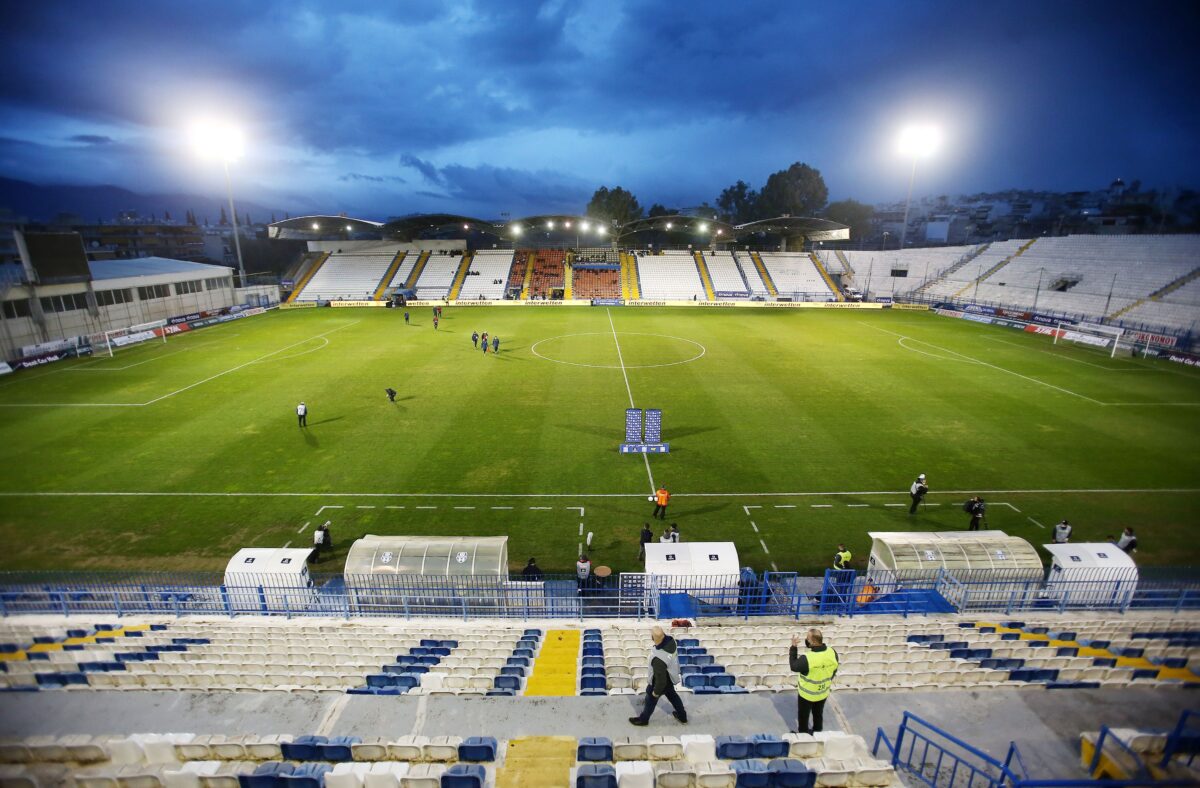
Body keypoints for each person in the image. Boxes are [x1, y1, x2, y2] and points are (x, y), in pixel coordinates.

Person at [629, 626, 687, 726]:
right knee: (673, 696)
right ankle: (682, 717)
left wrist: (655, 692)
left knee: (650, 699)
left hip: (660, 681)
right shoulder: (671, 642)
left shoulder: (659, 659)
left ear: (653, 637)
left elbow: (661, 681)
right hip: (669, 676)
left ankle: (643, 720)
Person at [789, 628, 839, 735]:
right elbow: (834, 669)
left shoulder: (807, 658)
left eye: (807, 638)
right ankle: (817, 732)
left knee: (803, 716)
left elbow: (794, 666)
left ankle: (803, 735)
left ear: (813, 642)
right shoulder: (832, 652)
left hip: (807, 694)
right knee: (818, 714)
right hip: (822, 692)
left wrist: (793, 647)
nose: (806, 640)